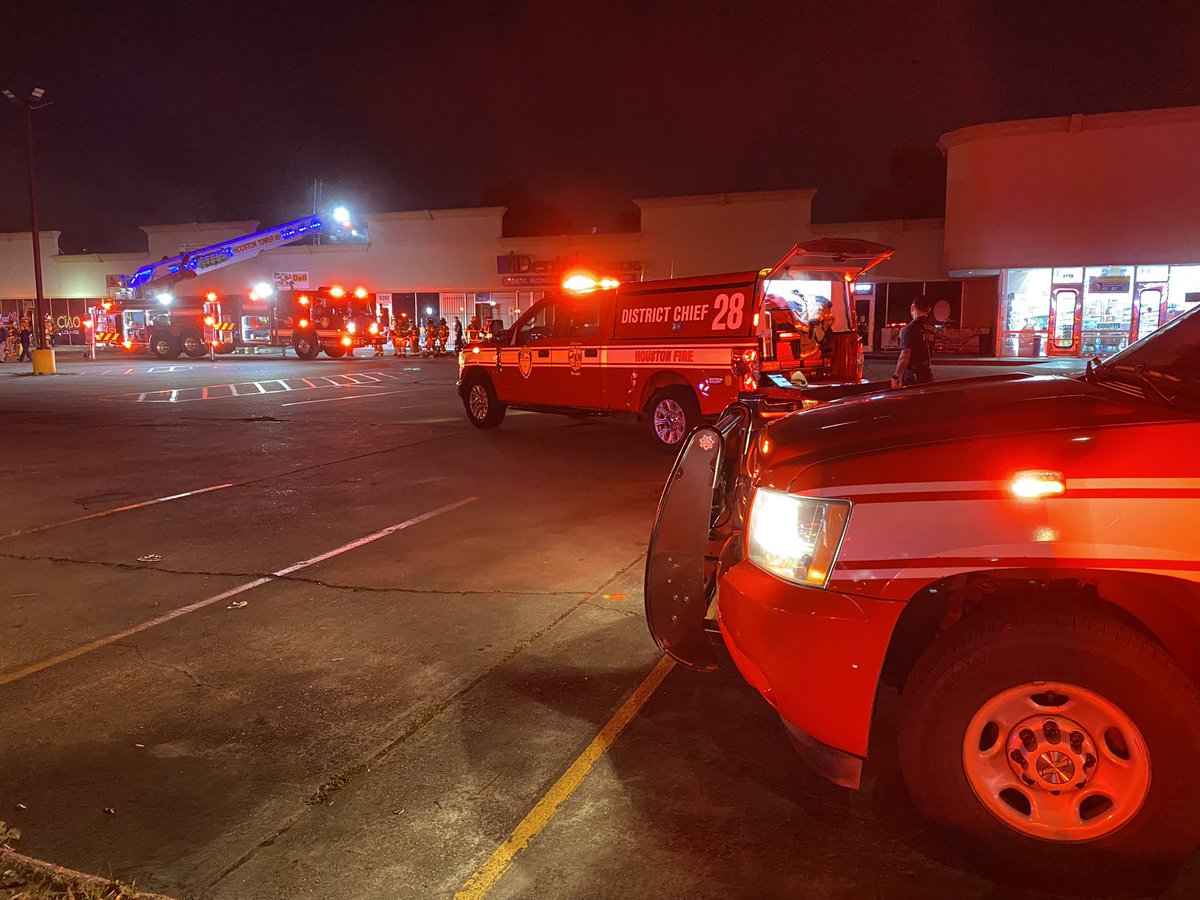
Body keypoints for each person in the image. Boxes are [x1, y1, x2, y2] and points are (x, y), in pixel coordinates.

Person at [891, 295, 936, 388]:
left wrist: (896, 376)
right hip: (926, 373)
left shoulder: (910, 328)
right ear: (929, 309)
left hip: (912, 376)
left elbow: (904, 356)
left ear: (912, 307)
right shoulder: (932, 328)